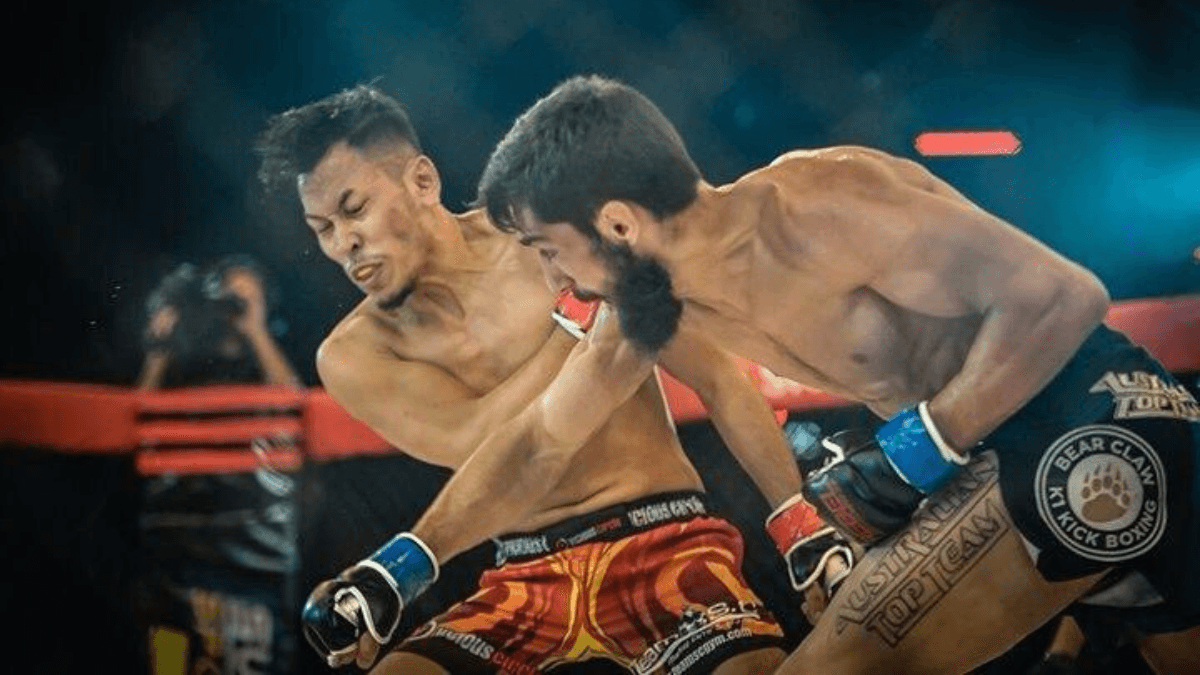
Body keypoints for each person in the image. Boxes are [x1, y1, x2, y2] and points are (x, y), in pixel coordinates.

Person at [476, 74, 1200, 674]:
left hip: (1088, 416)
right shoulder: (667, 304)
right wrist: (805, 525)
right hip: (1002, 454)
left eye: (548, 249)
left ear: (618, 224)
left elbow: (1061, 297)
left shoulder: (817, 206)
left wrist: (915, 452)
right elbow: (558, 430)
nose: (553, 279)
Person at [255, 85, 852, 675]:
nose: (344, 243)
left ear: (422, 181)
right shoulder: (354, 355)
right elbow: (484, 446)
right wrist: (583, 319)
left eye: (354, 209)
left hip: (663, 536)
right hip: (522, 573)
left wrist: (798, 523)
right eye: (321, 228)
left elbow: (719, 378)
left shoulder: (548, 239)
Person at [136, 255, 302, 390]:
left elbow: (295, 400)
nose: (236, 305)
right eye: (231, 297)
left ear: (265, 304)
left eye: (250, 299)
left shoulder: (275, 351)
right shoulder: (190, 350)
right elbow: (140, 406)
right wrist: (158, 349)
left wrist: (256, 331)